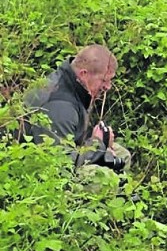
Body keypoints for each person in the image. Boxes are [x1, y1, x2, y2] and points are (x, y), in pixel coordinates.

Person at [22, 44, 130, 174]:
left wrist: (101, 141)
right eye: (104, 80)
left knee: (122, 154)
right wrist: (98, 143)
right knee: (101, 176)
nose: (108, 87)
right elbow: (59, 165)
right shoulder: (60, 106)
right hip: (38, 169)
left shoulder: (73, 85)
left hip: (66, 150)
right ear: (84, 74)